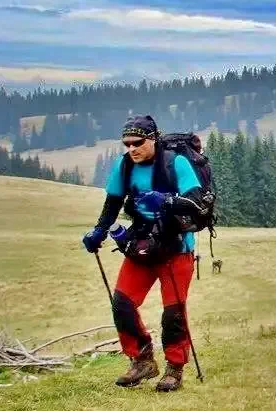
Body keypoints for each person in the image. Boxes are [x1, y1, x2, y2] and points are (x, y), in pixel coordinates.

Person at [82, 115, 207, 392]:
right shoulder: (124, 166)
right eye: (126, 144)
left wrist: (166, 200)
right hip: (141, 245)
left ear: (153, 138)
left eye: (137, 143)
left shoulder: (176, 163)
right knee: (122, 304)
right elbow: (112, 203)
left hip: (177, 247)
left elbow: (196, 203)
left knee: (173, 313)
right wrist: (98, 231)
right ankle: (143, 361)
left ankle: (175, 368)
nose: (132, 149)